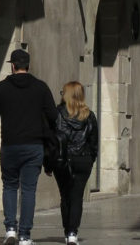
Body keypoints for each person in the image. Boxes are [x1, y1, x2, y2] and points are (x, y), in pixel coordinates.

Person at [0, 49, 58, 245]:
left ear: (12, 66)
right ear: (28, 65)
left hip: (10, 146)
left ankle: (10, 229)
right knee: (28, 190)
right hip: (34, 146)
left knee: (9, 186)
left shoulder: (1, 88)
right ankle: (25, 235)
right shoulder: (41, 88)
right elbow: (53, 116)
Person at [51, 81, 99, 245]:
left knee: (65, 196)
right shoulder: (89, 115)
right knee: (77, 197)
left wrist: (50, 162)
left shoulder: (57, 114)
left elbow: (52, 140)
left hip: (63, 160)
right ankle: (72, 233)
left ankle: (68, 231)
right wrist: (91, 160)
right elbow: (94, 143)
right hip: (83, 160)